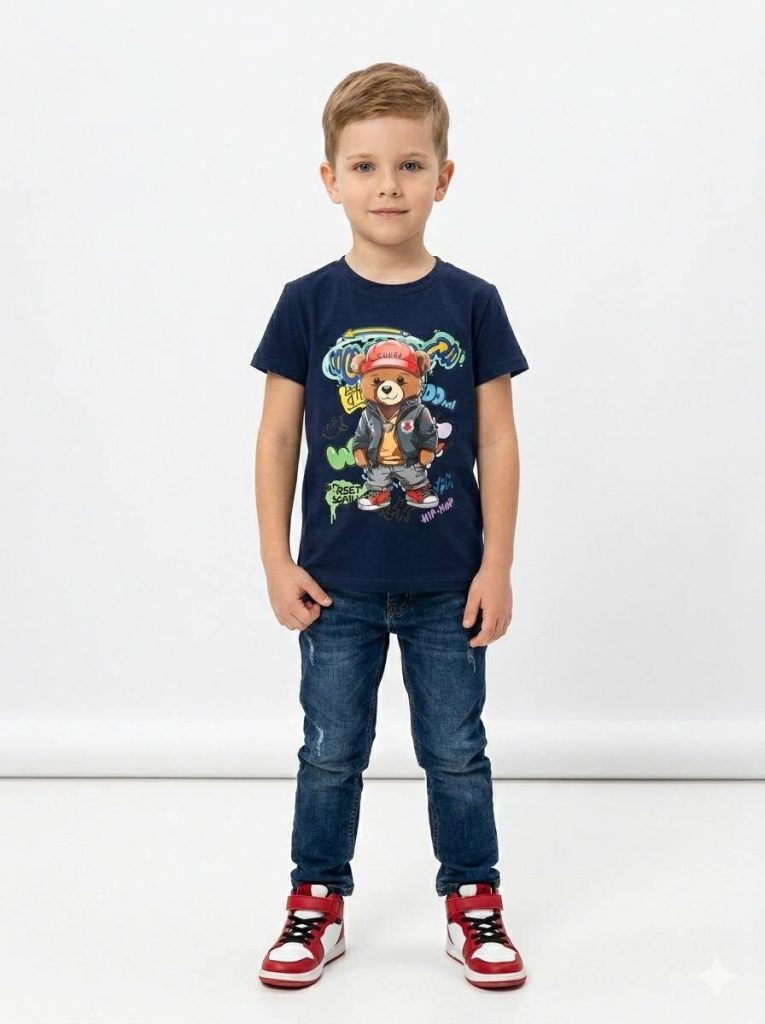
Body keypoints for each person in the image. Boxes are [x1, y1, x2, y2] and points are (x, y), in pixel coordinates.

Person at [251, 62, 529, 991]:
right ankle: (315, 902)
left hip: (450, 583)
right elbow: (278, 437)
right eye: (365, 167)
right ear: (329, 179)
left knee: (456, 752)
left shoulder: (471, 302)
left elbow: (497, 438)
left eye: (409, 165)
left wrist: (496, 564)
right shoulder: (306, 302)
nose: (387, 186)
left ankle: (473, 901)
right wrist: (275, 559)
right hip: (336, 586)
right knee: (330, 753)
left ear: (442, 178)